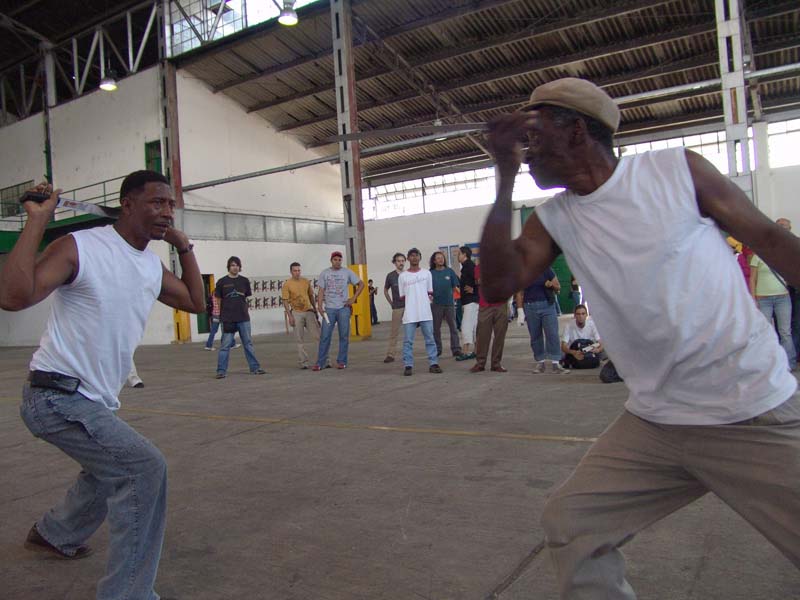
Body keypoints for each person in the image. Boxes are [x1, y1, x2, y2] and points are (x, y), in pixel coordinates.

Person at [479, 77, 800, 598]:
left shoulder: (676, 171)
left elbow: (768, 237)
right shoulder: (555, 218)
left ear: (577, 132)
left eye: (534, 137)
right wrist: (504, 177)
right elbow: (496, 284)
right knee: (572, 523)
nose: (526, 151)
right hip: (656, 423)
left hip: (750, 410)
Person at [0, 171, 205, 600]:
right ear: (127, 205)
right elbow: (14, 296)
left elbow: (196, 302)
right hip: (54, 395)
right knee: (144, 467)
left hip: (93, 401)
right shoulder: (82, 247)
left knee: (109, 466)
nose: (166, 211)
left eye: (170, 204)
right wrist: (37, 220)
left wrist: (184, 247)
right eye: (156, 202)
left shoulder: (150, 264)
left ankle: (56, 533)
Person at [750, 225, 796, 369]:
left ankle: (790, 363)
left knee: (785, 332)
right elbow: (752, 278)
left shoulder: (785, 255)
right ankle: (769, 364)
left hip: (783, 297)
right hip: (763, 298)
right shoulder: (757, 255)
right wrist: (753, 298)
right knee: (766, 332)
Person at [214, 256, 266, 378]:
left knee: (248, 344)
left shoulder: (244, 281)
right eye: (232, 265)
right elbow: (218, 300)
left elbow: (246, 297)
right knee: (225, 346)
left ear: (240, 267)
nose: (235, 267)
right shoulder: (222, 282)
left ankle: (255, 368)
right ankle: (221, 371)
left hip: (243, 318)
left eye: (237, 265)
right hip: (228, 319)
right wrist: (221, 316)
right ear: (228, 267)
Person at [313, 250, 364, 370]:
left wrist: (353, 298)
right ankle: (320, 362)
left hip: (343, 309)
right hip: (329, 310)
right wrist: (319, 307)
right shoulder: (325, 273)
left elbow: (361, 284)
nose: (337, 262)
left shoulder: (347, 272)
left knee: (344, 336)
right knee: (325, 336)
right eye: (335, 259)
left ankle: (342, 361)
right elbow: (320, 291)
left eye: (339, 260)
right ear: (331, 260)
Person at [516, 266, 569, 374]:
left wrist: (551, 284)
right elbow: (519, 293)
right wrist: (520, 311)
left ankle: (556, 363)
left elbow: (558, 287)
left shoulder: (547, 270)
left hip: (547, 306)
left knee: (552, 333)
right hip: (530, 307)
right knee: (535, 335)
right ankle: (540, 362)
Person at [399, 248, 442, 376]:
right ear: (408, 258)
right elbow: (403, 296)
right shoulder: (402, 276)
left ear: (420, 257)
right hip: (410, 314)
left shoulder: (426, 273)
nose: (414, 258)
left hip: (425, 313)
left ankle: (433, 363)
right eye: (411, 256)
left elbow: (430, 293)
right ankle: (408, 365)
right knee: (408, 341)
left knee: (430, 339)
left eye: (416, 255)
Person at [470, 264, 509, 373]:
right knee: (482, 335)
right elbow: (480, 281)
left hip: (501, 304)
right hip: (485, 305)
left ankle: (496, 363)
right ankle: (480, 363)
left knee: (500, 335)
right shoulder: (479, 267)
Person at [282, 262, 320, 369]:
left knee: (318, 337)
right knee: (299, 339)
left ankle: (323, 359)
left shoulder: (305, 281)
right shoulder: (287, 284)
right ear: (291, 272)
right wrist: (290, 316)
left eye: (299, 270)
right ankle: (303, 362)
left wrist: (315, 310)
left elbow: (311, 296)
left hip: (309, 311)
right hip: (296, 313)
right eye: (295, 271)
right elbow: (285, 301)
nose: (297, 273)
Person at [429, 250, 462, 358]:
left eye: (442, 257)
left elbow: (455, 287)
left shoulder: (450, 271)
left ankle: (456, 349)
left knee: (453, 327)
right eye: (438, 258)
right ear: (434, 261)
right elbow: (426, 289)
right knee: (436, 329)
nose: (441, 259)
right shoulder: (430, 273)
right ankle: (437, 349)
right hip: (436, 305)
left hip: (449, 304)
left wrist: (464, 299)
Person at [560, 304, 604, 369]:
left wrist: (598, 350)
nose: (581, 316)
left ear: (586, 315)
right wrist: (574, 352)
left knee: (606, 351)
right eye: (578, 314)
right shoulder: (568, 325)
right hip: (575, 350)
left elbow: (600, 343)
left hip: (589, 348)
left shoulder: (592, 324)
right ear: (574, 316)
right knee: (560, 354)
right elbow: (563, 347)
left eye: (583, 314)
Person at [455, 245, 478, 361]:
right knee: (474, 325)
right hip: (471, 301)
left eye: (459, 253)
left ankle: (465, 351)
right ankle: (476, 351)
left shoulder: (469, 266)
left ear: (464, 254)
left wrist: (475, 290)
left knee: (466, 326)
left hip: (471, 301)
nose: (457, 256)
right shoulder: (466, 267)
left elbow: (479, 280)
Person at [383, 252, 406, 363]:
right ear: (394, 262)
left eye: (402, 261)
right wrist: (391, 303)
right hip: (397, 307)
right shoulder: (390, 276)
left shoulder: (408, 274)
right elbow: (385, 290)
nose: (401, 263)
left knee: (409, 332)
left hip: (409, 308)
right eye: (398, 261)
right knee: (394, 332)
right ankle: (391, 354)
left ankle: (407, 353)